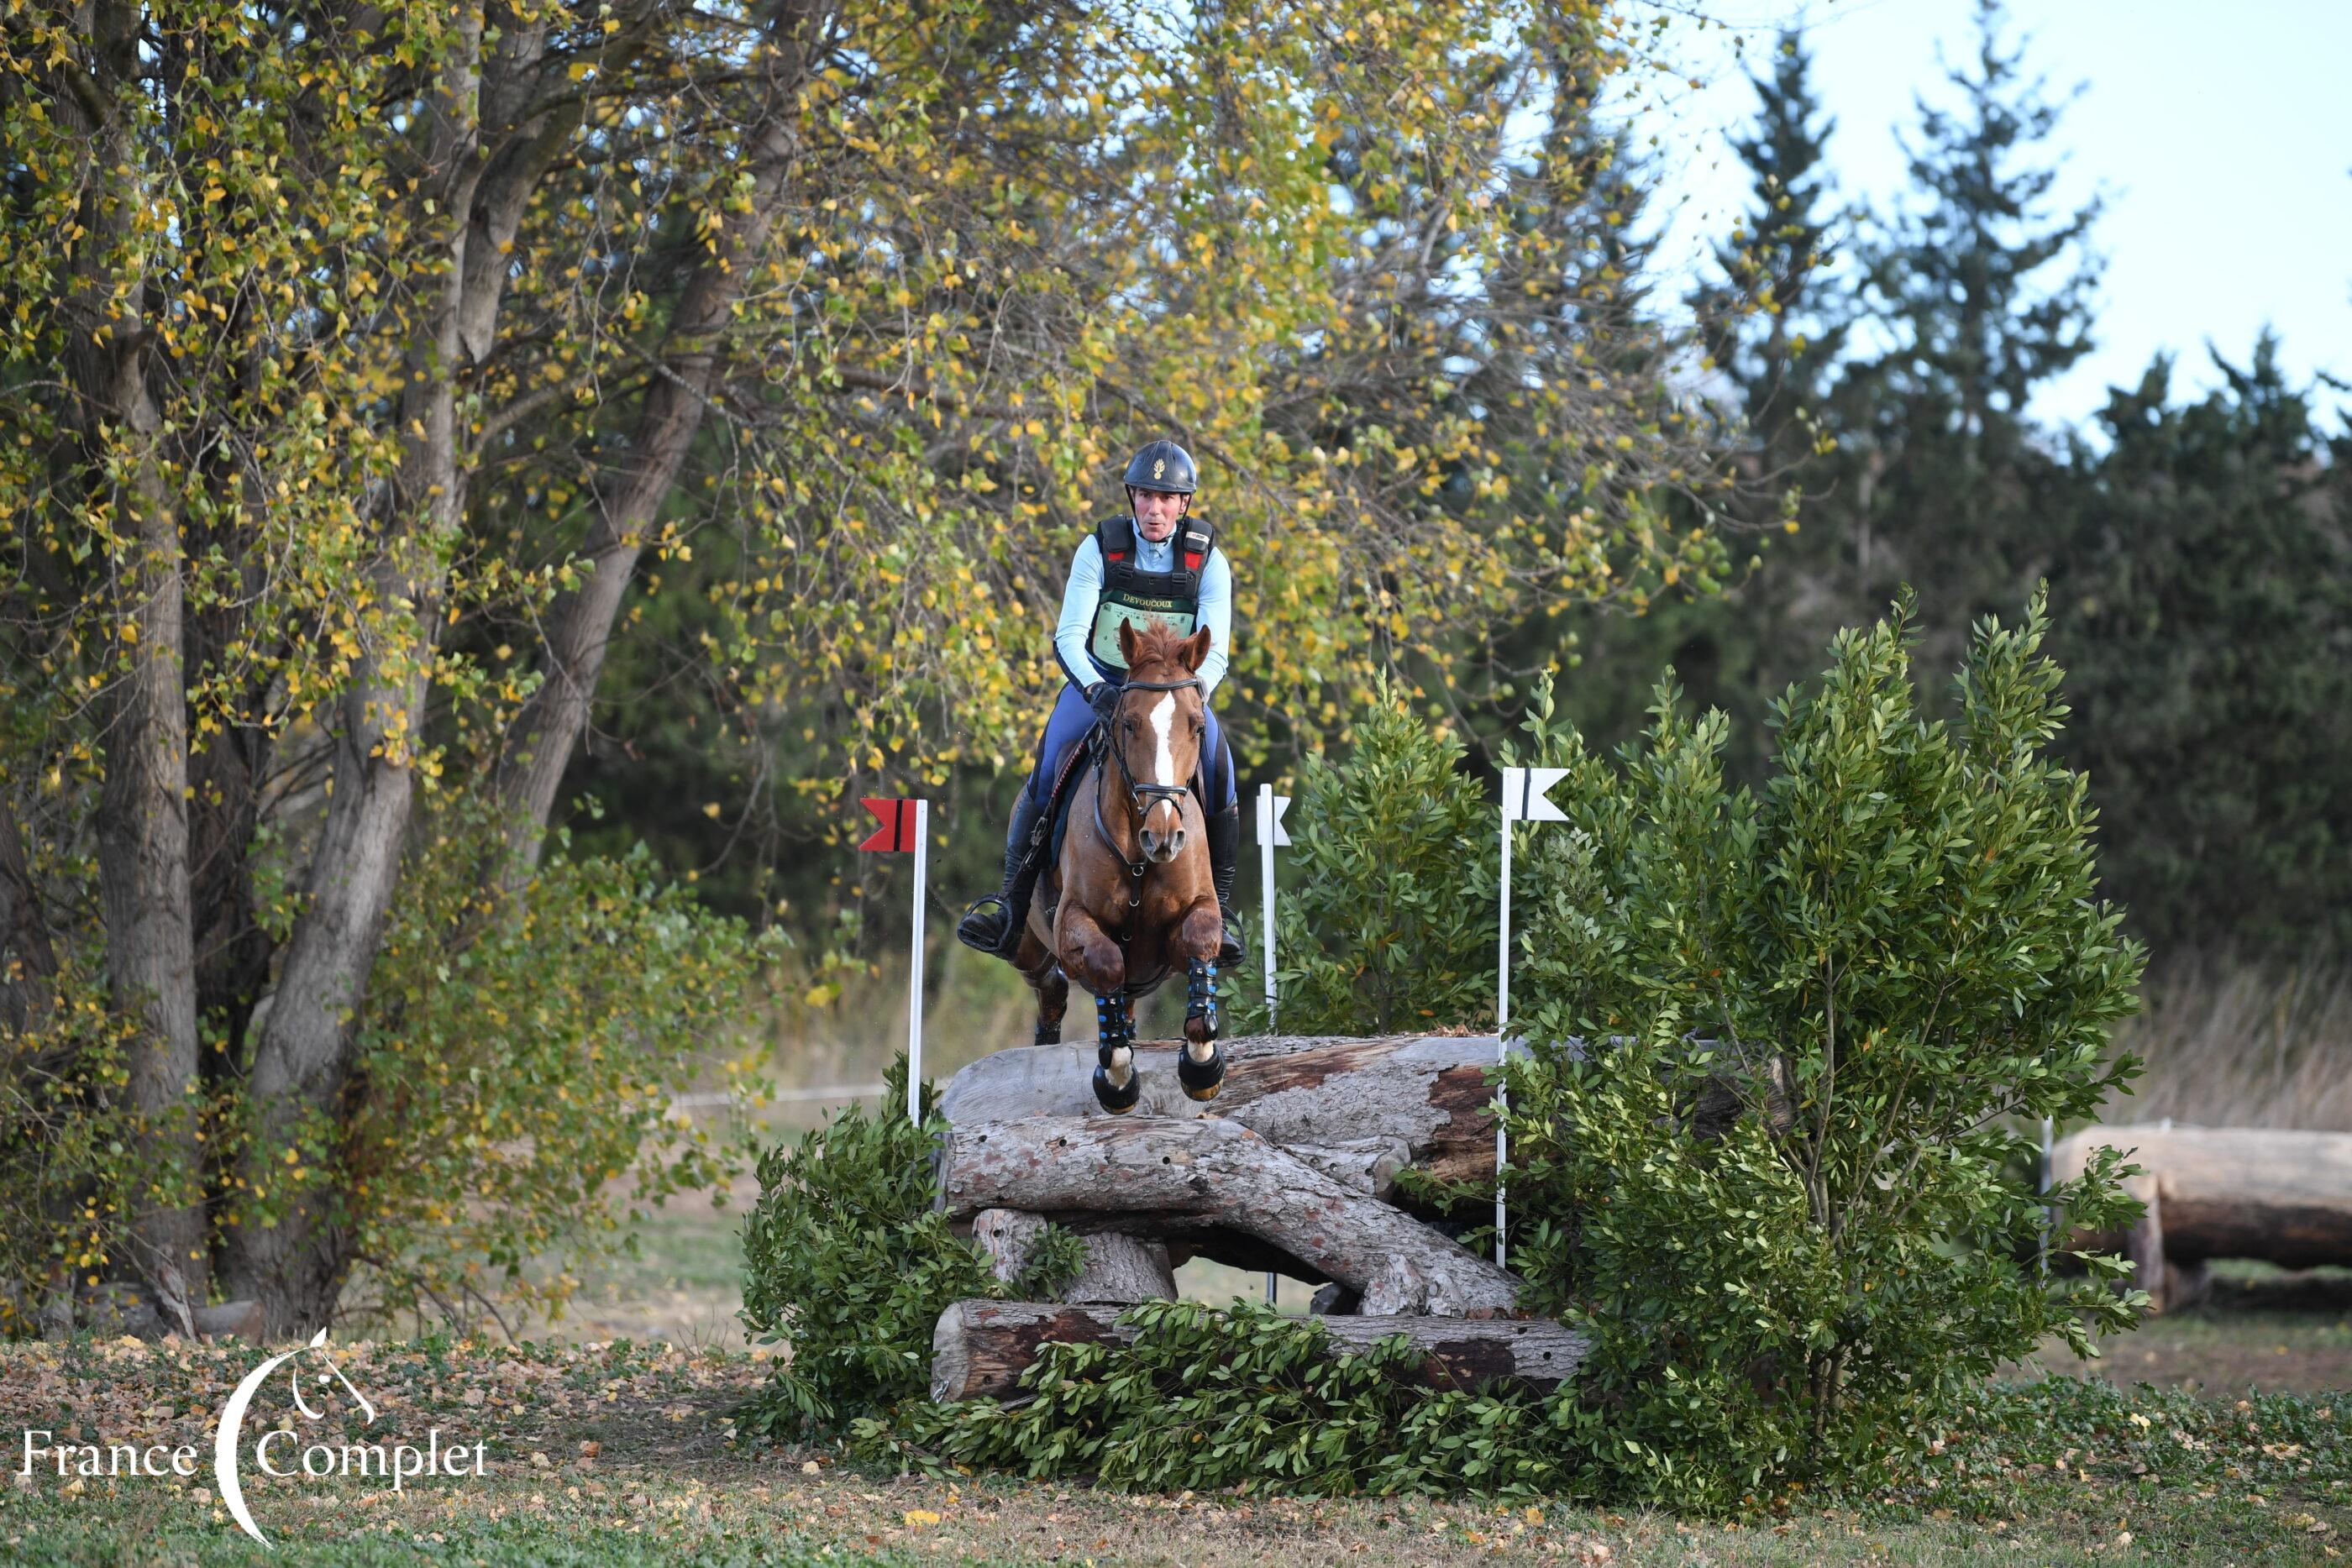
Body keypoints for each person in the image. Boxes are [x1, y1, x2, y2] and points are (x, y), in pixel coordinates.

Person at [957, 438, 1243, 965]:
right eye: (1146, 496)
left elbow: (1217, 650)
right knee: (1049, 765)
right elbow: (1069, 636)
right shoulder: (1100, 549)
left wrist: (1191, 696)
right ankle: (1010, 908)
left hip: (1176, 692)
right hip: (1104, 683)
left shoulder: (1209, 561)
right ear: (1132, 497)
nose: (1154, 509)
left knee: (1219, 769)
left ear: (1183, 504)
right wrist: (1097, 691)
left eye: (1167, 498)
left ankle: (1222, 909)